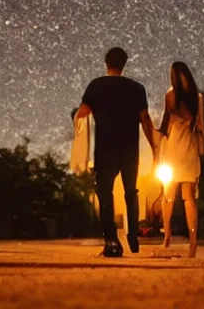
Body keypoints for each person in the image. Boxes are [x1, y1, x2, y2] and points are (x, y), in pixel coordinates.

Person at [74, 47, 158, 257]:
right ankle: (133, 235)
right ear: (124, 64)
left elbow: (82, 114)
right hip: (129, 149)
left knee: (105, 194)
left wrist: (76, 122)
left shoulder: (96, 86)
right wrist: (155, 145)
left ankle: (111, 240)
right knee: (131, 191)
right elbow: (145, 119)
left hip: (105, 149)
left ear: (106, 63)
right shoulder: (137, 88)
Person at [156, 61, 204, 258]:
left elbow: (201, 126)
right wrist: (158, 152)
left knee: (189, 197)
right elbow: (165, 124)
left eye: (182, 75)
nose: (180, 80)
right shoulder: (170, 95)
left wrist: (202, 151)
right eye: (177, 76)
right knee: (168, 195)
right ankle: (166, 234)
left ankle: (193, 243)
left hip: (189, 149)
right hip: (172, 148)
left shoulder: (198, 97)